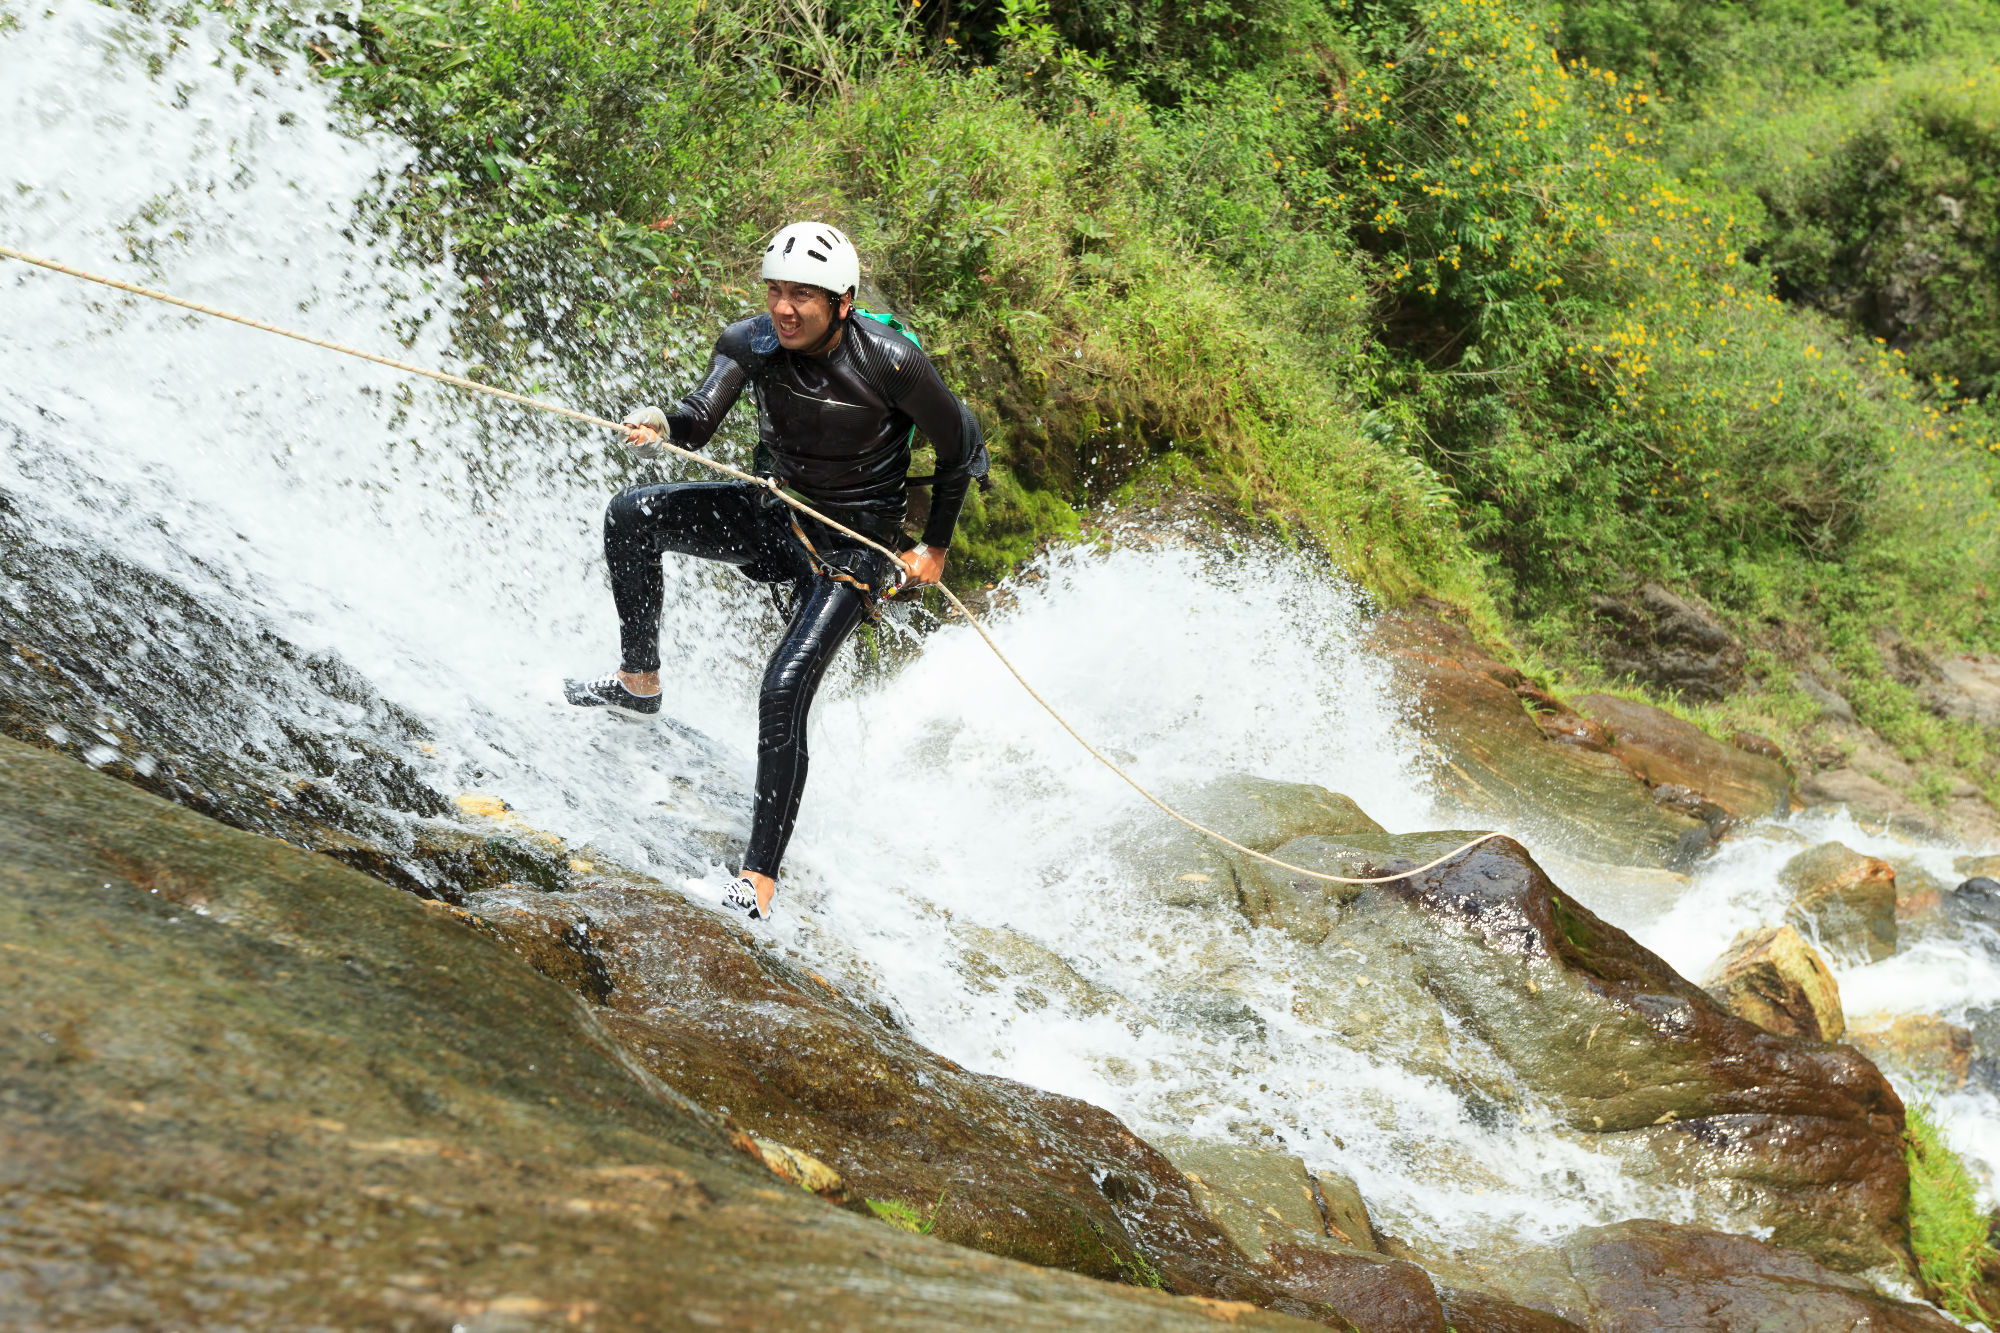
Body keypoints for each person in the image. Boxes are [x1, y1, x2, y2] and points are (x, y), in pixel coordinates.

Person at [564, 222, 980, 923]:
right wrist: (662, 424)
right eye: (776, 291)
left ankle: (758, 879)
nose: (784, 309)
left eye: (803, 297)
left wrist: (932, 549)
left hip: (853, 546)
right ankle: (639, 680)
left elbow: (960, 447)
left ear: (842, 303)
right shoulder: (749, 341)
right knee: (633, 512)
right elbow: (699, 420)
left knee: (783, 685)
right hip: (775, 511)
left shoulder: (892, 362)